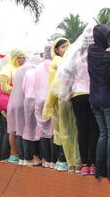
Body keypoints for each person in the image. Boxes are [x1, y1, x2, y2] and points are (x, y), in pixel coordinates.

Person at [60, 25, 99, 175]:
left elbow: (67, 76)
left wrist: (65, 93)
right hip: (92, 95)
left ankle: (84, 164)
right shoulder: (96, 54)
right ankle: (94, 163)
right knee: (94, 130)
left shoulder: (74, 55)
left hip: (77, 96)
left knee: (82, 130)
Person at [88, 25, 110, 180]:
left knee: (103, 134)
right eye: (108, 38)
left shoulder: (92, 51)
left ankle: (99, 170)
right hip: (108, 97)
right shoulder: (106, 54)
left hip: (94, 98)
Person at [42, 38, 71, 172]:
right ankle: (63, 159)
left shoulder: (58, 62)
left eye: (67, 46)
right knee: (64, 131)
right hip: (61, 99)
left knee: (59, 132)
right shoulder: (59, 62)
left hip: (57, 99)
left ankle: (60, 160)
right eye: (63, 47)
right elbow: (55, 84)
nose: (66, 49)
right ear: (56, 50)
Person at [0, 49, 27, 163]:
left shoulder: (18, 68)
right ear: (15, 57)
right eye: (20, 57)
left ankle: (17, 153)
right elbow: (4, 87)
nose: (22, 60)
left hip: (18, 101)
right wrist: (17, 89)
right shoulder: (7, 69)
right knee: (12, 129)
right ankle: (14, 153)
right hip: (11, 102)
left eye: (24, 58)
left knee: (17, 128)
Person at [34, 44, 55, 169]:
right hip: (49, 99)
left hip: (39, 100)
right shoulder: (54, 64)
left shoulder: (39, 66)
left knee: (42, 131)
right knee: (52, 130)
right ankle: (53, 159)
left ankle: (45, 159)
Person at [21, 55, 43, 166]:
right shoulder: (41, 70)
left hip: (28, 100)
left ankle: (33, 157)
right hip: (39, 100)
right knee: (42, 129)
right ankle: (44, 158)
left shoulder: (28, 73)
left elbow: (23, 88)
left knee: (30, 129)